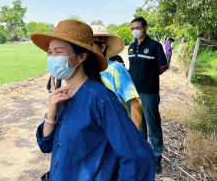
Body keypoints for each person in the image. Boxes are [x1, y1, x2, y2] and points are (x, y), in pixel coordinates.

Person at [31, 19, 155, 181]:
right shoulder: (62, 96)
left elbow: (138, 158)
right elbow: (46, 145)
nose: (52, 58)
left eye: (58, 52)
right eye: (49, 52)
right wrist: (52, 113)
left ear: (81, 57)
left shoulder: (102, 100)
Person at [128, 17, 168, 174]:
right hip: (133, 92)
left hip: (149, 91)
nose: (135, 30)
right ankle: (143, 154)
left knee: (153, 124)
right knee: (139, 123)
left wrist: (150, 75)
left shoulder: (155, 46)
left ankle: (157, 157)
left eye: (137, 27)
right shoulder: (131, 47)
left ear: (145, 28)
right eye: (132, 28)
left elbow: (163, 66)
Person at [91, 25, 142, 130]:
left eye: (91, 44)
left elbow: (135, 104)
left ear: (102, 47)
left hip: (119, 131)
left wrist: (134, 139)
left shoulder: (115, 69)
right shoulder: (85, 72)